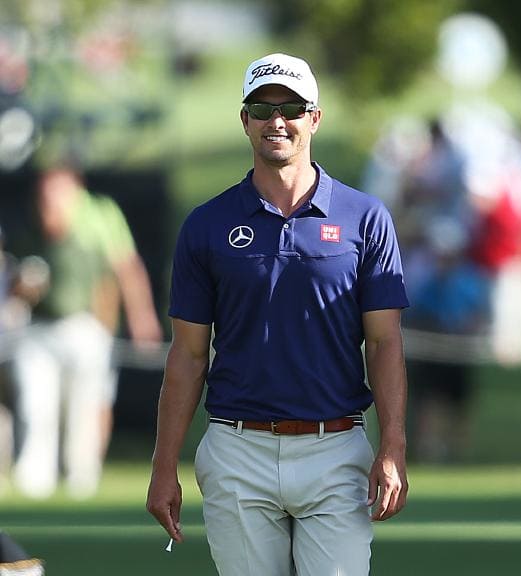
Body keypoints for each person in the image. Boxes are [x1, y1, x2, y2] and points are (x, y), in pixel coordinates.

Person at [145, 53, 410, 575]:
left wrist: (393, 446)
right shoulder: (206, 225)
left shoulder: (366, 218)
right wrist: (163, 465)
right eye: (262, 110)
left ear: (315, 117)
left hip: (335, 448)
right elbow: (189, 353)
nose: (277, 122)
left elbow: (384, 343)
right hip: (237, 449)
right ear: (245, 120)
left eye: (291, 108)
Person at [10, 165, 162, 500]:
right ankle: (35, 479)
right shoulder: (27, 222)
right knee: (37, 405)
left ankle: (82, 476)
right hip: (38, 329)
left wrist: (142, 318)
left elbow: (126, 268)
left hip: (86, 327)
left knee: (85, 404)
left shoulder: (98, 216)